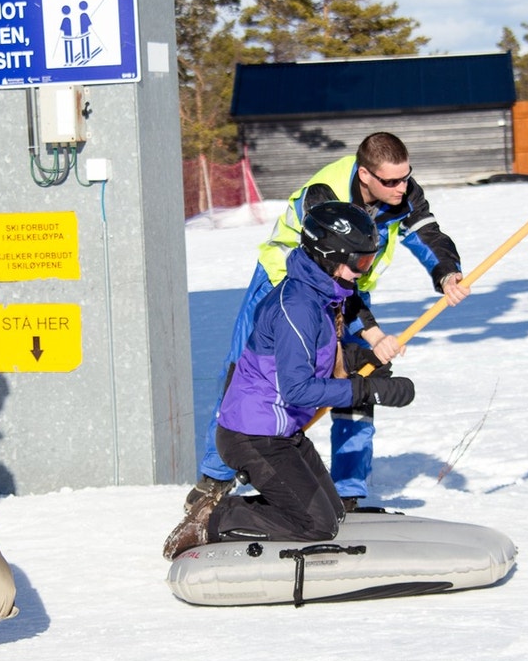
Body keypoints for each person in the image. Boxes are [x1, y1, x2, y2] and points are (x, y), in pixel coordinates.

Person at [182, 131, 469, 522]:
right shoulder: (326, 194)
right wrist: (371, 330)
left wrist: (448, 274)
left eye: (406, 177)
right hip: (286, 287)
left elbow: (425, 234)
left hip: (346, 290)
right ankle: (214, 481)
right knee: (246, 379)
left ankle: (348, 491)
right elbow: (320, 275)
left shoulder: (401, 192)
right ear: (365, 175)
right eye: (391, 181)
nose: (403, 188)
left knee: (361, 374)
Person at [164, 201, 416, 558]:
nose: (365, 270)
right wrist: (368, 390)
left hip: (281, 433)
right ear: (329, 256)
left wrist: (366, 359)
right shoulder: (297, 306)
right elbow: (298, 389)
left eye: (370, 260)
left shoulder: (322, 295)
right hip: (253, 436)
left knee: (334, 513)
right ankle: (212, 519)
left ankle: (278, 505)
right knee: (317, 525)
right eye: (360, 262)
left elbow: (320, 359)